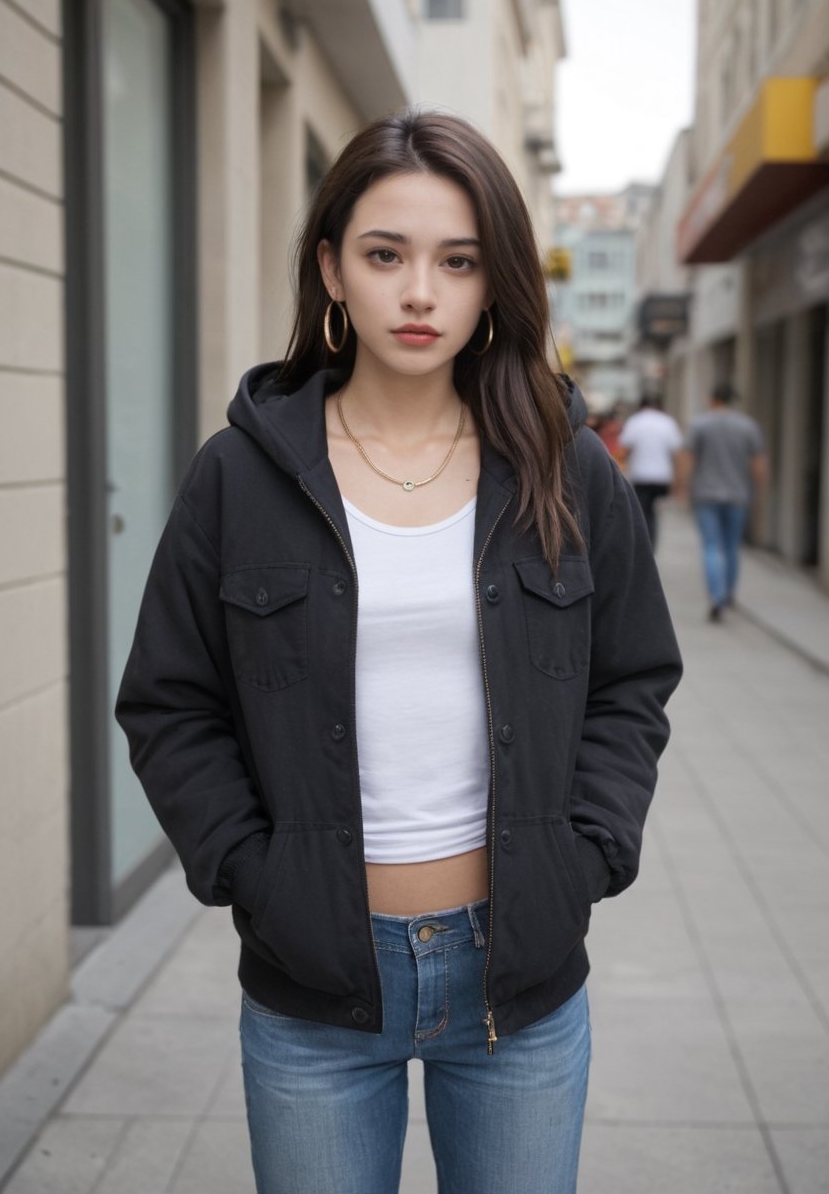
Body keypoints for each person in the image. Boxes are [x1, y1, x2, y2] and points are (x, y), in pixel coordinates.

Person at [116, 111, 682, 1194]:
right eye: (386, 255)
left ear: (492, 283)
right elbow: (170, 702)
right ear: (332, 268)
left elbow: (631, 678)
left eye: (457, 262)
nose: (420, 293)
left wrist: (590, 849)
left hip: (517, 975)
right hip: (314, 981)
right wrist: (253, 873)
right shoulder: (239, 475)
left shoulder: (565, 468)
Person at [683, 381, 766, 622]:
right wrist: (757, 492)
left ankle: (716, 597)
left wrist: (683, 488)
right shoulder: (748, 426)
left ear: (713, 399)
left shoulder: (700, 424)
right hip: (738, 496)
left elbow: (689, 459)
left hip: (706, 495)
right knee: (731, 547)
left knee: (711, 546)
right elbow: (758, 465)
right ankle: (729, 593)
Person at [619, 394, 683, 546]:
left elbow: (625, 448)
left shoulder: (634, 421)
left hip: (640, 475)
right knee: (653, 512)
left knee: (641, 512)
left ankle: (643, 543)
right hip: (662, 477)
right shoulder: (668, 422)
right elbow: (677, 453)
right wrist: (678, 483)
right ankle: (652, 543)